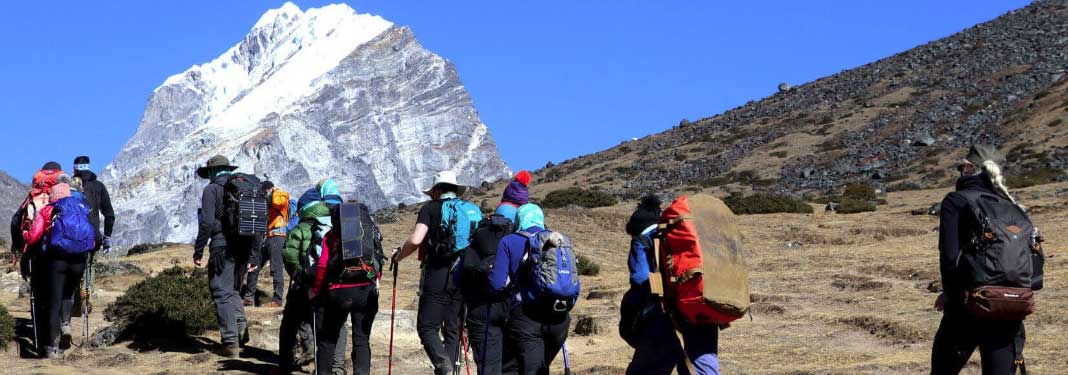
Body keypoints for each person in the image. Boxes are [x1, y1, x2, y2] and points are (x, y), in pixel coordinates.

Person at [931, 145, 1038, 375]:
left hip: (967, 307)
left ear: (971, 168)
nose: (960, 171)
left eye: (962, 166)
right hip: (1010, 309)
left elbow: (950, 259)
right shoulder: (1013, 206)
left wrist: (950, 297)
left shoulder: (956, 200)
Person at [619, 195, 719, 375]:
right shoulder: (680, 235)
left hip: (665, 316)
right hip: (702, 305)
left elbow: (640, 279)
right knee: (703, 365)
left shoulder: (643, 240)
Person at [392, 171, 470, 375]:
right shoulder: (468, 210)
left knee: (427, 328)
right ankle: (450, 369)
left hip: (437, 274)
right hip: (463, 275)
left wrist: (399, 255)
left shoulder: (430, 209)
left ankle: (443, 366)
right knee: (453, 329)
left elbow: (417, 239)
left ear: (436, 190)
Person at [489, 204, 572, 375]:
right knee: (540, 367)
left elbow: (497, 284)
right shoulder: (560, 240)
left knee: (517, 368)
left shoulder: (509, 241)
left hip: (526, 319)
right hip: (559, 318)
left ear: (519, 219)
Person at [277, 180, 347, 374]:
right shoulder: (336, 224)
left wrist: (300, 276)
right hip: (333, 284)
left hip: (306, 285)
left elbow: (289, 255)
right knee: (336, 325)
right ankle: (337, 366)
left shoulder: (301, 228)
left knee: (290, 323)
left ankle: (285, 365)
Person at [193, 155, 256, 358]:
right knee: (234, 290)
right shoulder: (245, 188)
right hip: (244, 246)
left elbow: (207, 222)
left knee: (221, 291)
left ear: (212, 171)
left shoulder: (211, 189)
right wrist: (254, 254)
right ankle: (240, 331)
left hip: (222, 246)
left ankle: (230, 344)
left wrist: (199, 249)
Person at [23, 179, 95, 358]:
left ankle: (53, 348)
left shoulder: (48, 209)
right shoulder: (81, 208)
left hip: (57, 260)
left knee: (54, 300)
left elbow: (33, 237)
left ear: (53, 195)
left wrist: (26, 235)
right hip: (78, 261)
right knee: (68, 295)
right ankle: (66, 326)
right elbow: (93, 238)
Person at [309, 204, 383, 375]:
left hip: (338, 291)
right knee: (362, 339)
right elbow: (378, 262)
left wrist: (316, 289)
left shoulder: (332, 235)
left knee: (328, 340)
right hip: (365, 291)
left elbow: (321, 265)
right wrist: (372, 282)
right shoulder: (370, 231)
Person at [244, 180, 289, 307]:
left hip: (277, 236)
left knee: (276, 268)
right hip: (266, 237)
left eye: (265, 192)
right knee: (254, 265)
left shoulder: (281, 196)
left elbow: (277, 202)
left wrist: (272, 191)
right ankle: (249, 297)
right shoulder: (265, 202)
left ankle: (277, 300)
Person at [70, 156, 115, 254]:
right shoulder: (99, 186)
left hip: (72, 238)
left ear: (74, 168)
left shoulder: (69, 187)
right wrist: (106, 238)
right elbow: (109, 215)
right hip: (94, 239)